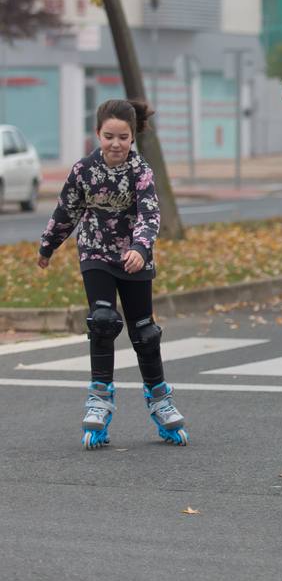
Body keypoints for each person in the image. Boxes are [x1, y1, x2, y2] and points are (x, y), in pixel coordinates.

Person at [37, 99, 188, 449]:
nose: (116, 144)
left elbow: (150, 215)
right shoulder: (83, 170)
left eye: (123, 137)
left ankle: (159, 397)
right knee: (102, 320)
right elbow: (67, 211)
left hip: (135, 257)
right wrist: (48, 246)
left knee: (144, 332)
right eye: (109, 136)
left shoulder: (141, 171)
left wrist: (140, 247)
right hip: (95, 252)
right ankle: (100, 396)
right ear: (97, 135)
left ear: (133, 137)